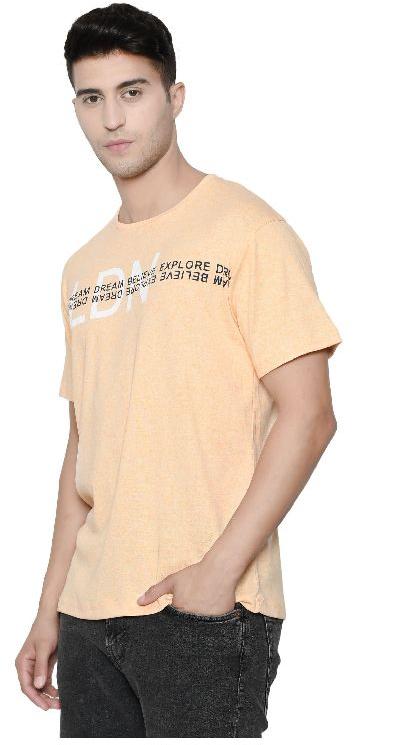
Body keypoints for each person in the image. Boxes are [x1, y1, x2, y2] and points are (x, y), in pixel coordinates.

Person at [15, 3, 343, 738]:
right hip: (89, 613)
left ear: (175, 97)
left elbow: (310, 414)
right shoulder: (82, 267)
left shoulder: (248, 230)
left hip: (201, 610)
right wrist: (48, 609)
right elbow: (83, 450)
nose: (112, 118)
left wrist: (218, 573)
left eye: (132, 92)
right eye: (92, 97)